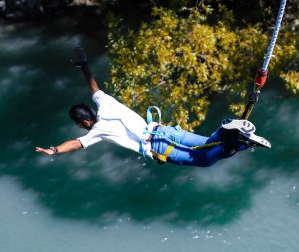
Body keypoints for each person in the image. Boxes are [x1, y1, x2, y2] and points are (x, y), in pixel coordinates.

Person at [35, 47, 271, 167]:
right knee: (206, 143)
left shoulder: (97, 131)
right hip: (162, 130)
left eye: (79, 124)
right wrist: (83, 63)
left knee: (204, 160)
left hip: (158, 145)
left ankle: (239, 140)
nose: (81, 128)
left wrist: (54, 150)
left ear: (85, 122)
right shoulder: (104, 103)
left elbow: (76, 144)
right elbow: (93, 85)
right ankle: (232, 133)